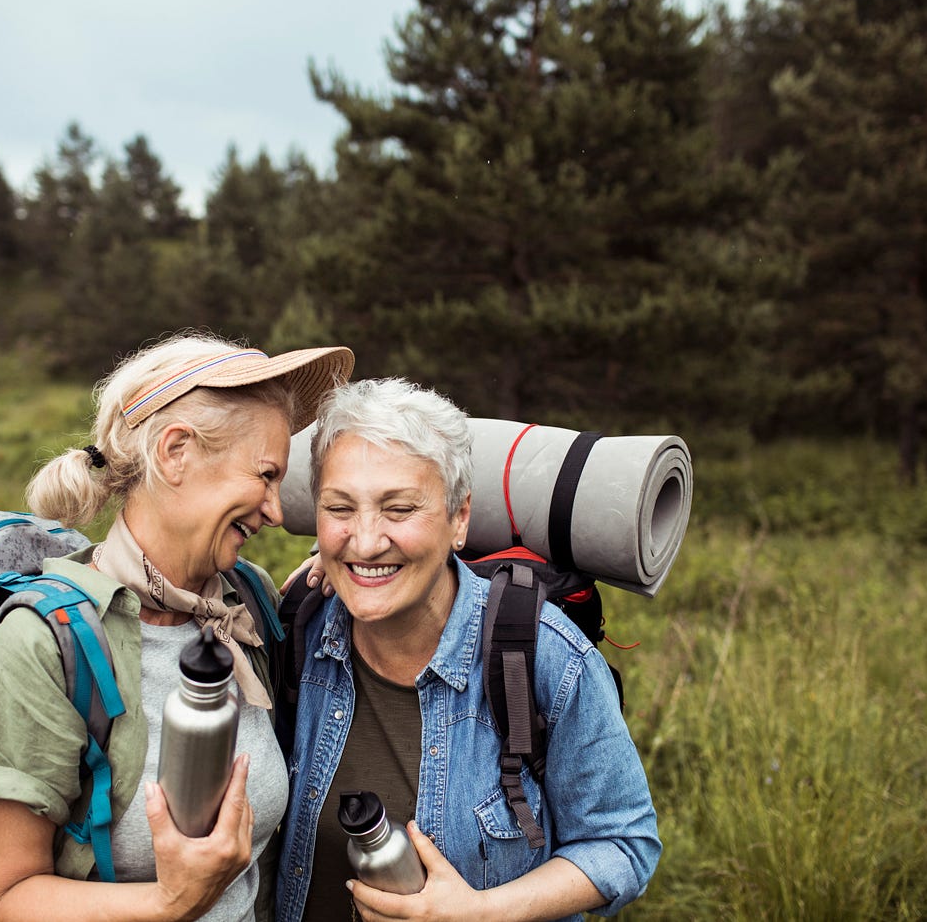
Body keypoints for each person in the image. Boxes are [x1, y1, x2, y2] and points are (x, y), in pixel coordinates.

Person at [0, 333, 354, 922]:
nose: (277, 511)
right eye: (264, 475)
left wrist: (354, 562)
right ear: (175, 451)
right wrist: (170, 900)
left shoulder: (246, 604)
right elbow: (0, 898)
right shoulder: (41, 649)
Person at [274, 378, 660, 922]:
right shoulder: (297, 629)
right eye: (340, 509)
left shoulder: (545, 658)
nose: (363, 540)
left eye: (399, 509)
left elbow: (623, 844)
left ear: (459, 519)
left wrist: (480, 912)